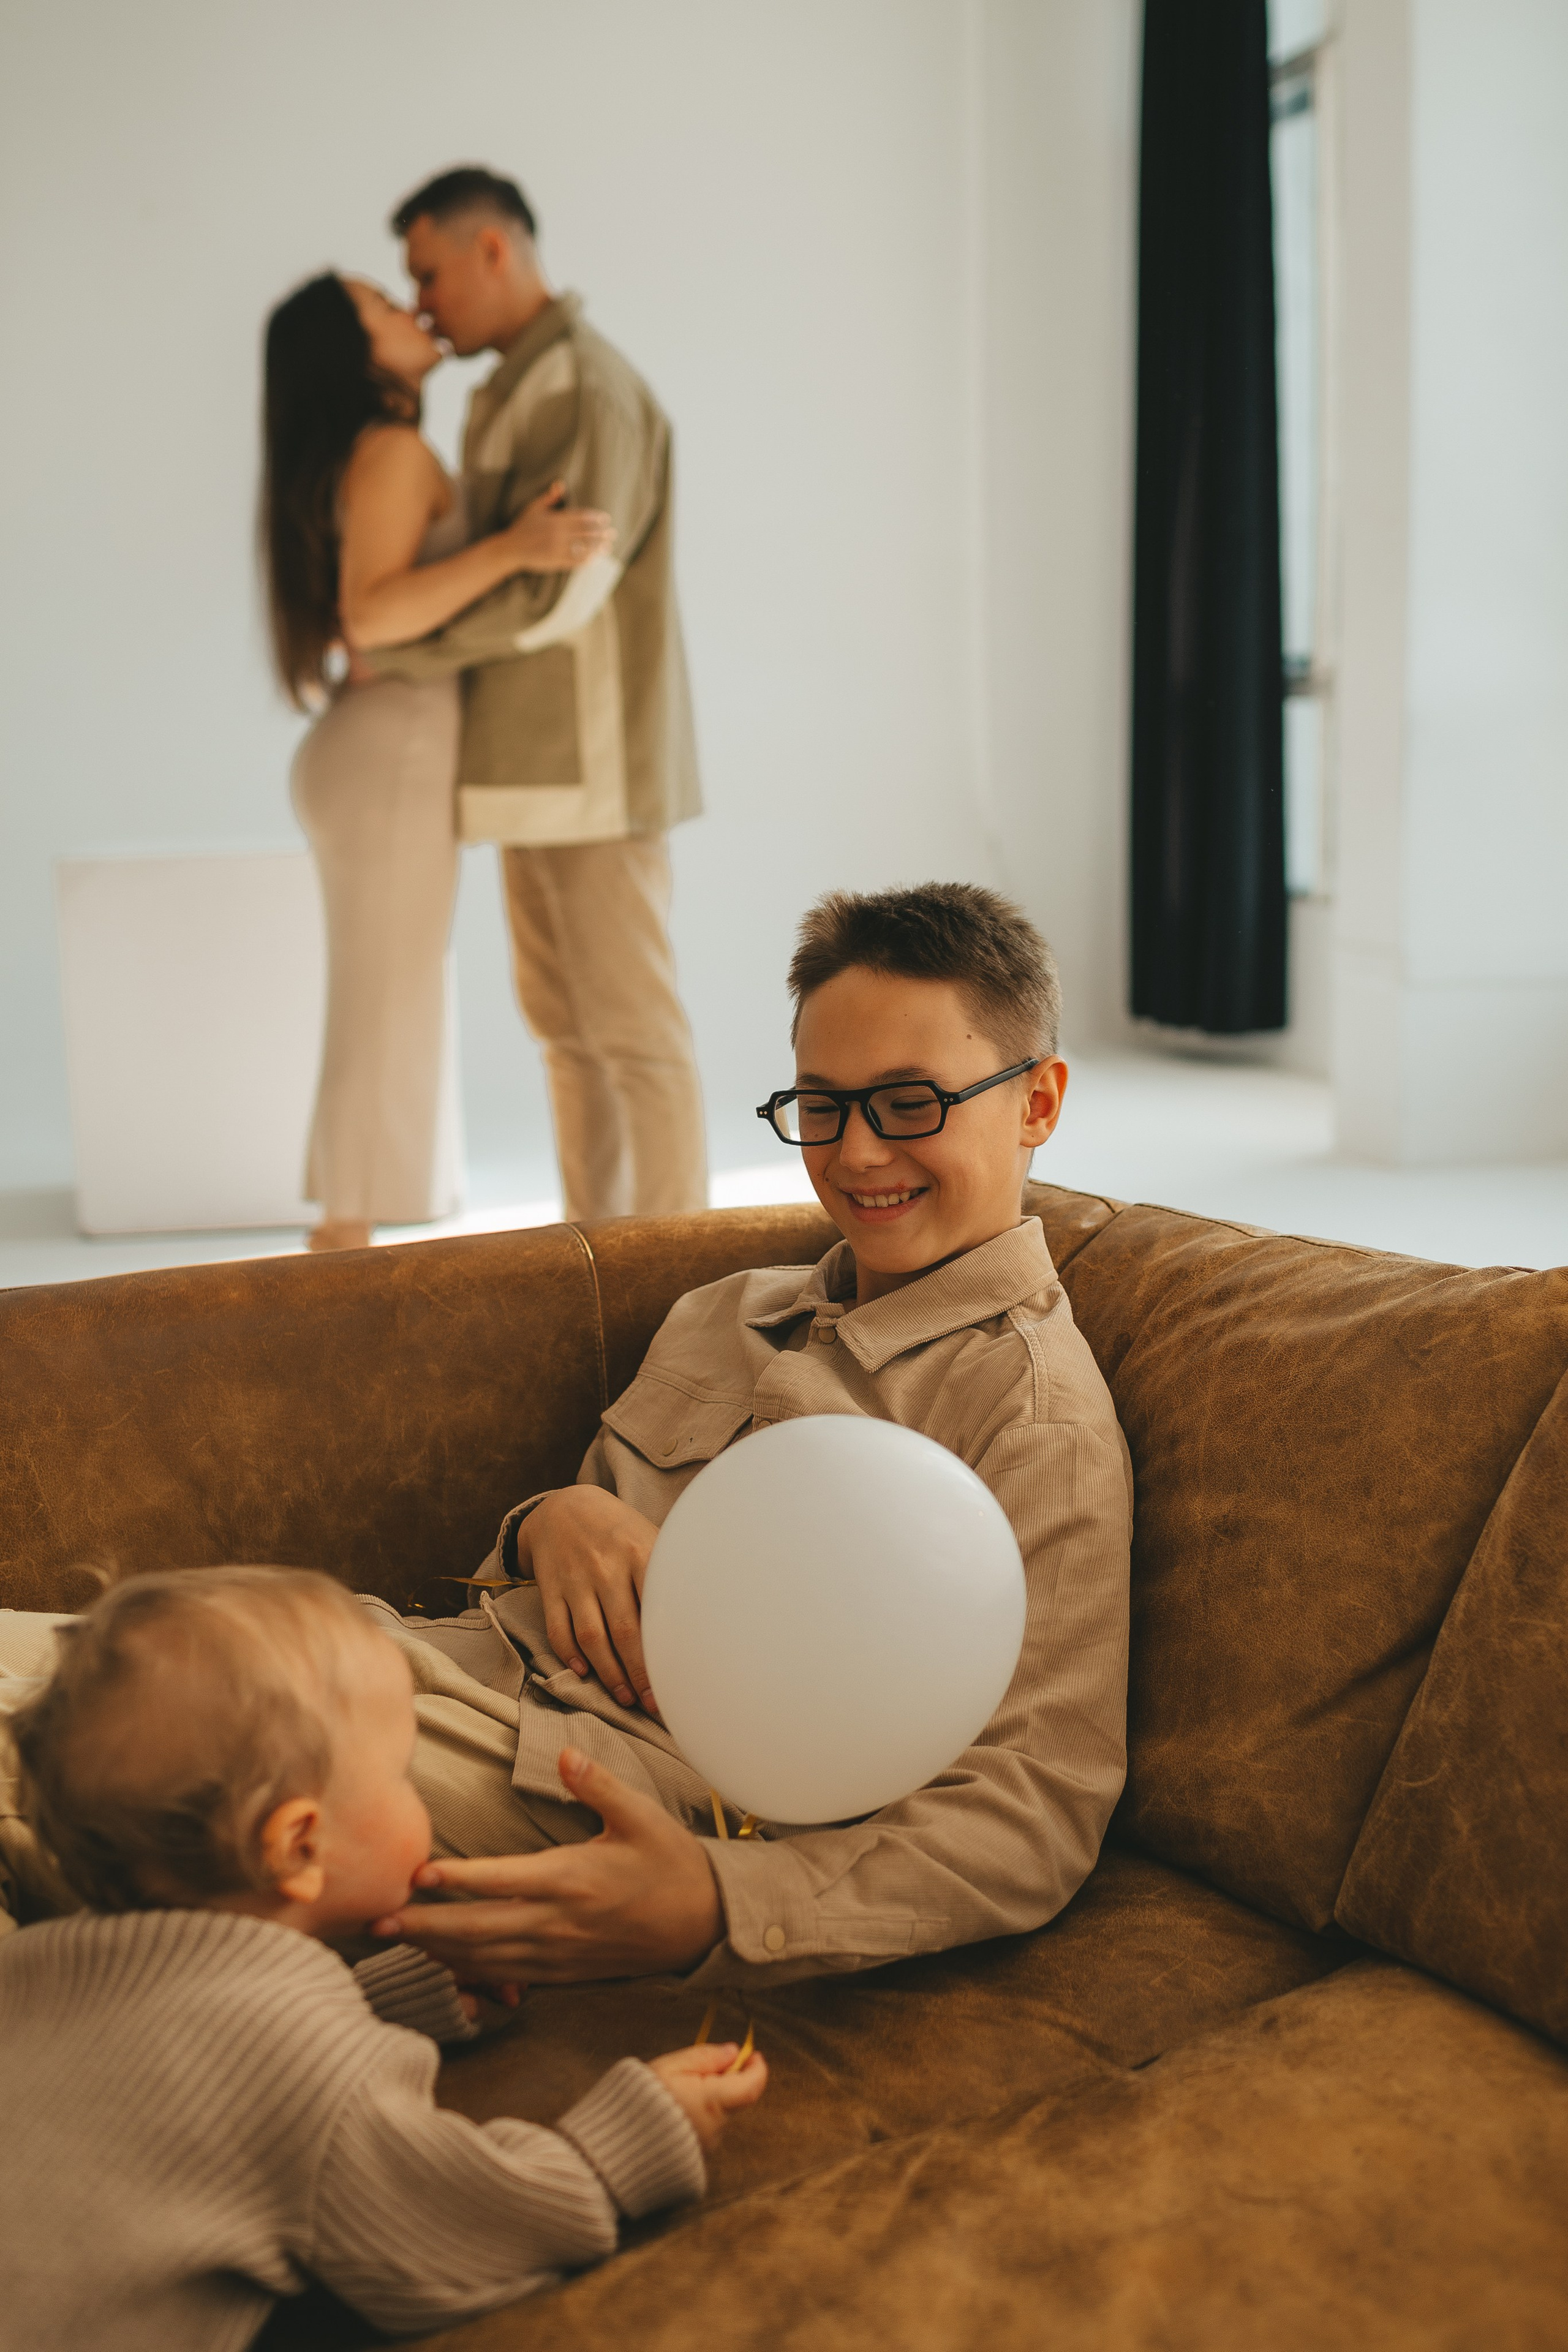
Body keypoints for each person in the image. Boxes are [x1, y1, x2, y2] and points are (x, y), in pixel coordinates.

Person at [360, 882, 1133, 1995]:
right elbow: (559, 1596)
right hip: (437, 1661)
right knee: (145, 1657)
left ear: (1037, 1102)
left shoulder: (1032, 1419)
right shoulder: (721, 1314)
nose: (857, 1153)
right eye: (822, 1106)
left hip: (573, 1779)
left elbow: (1034, 1811)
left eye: (908, 1103)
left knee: (160, 1732)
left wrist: (719, 1901)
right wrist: (549, 1523)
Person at [0, 1567, 764, 2349]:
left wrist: (375, 1998)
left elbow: (193, 2050)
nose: (413, 1789)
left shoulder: (31, 1968)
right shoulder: (306, 2073)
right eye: (399, 1774)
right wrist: (617, 2152)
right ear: (300, 1846)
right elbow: (452, 2238)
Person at [362, 165, 708, 1226]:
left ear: (493, 249)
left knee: (634, 1038)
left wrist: (401, 647)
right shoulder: (518, 386)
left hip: (593, 770)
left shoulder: (582, 386)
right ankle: (593, 1267)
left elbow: (565, 589)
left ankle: (679, 1279)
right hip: (536, 769)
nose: (422, 301)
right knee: (568, 1035)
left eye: (428, 273)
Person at [260, 268, 615, 1251]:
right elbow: (371, 613)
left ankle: (345, 1232)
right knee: (385, 999)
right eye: (383, 305)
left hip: (377, 748)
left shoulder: (372, 451)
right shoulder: (391, 450)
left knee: (383, 994)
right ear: (353, 353)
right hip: (392, 750)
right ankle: (342, 1244)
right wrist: (516, 549)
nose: (411, 307)